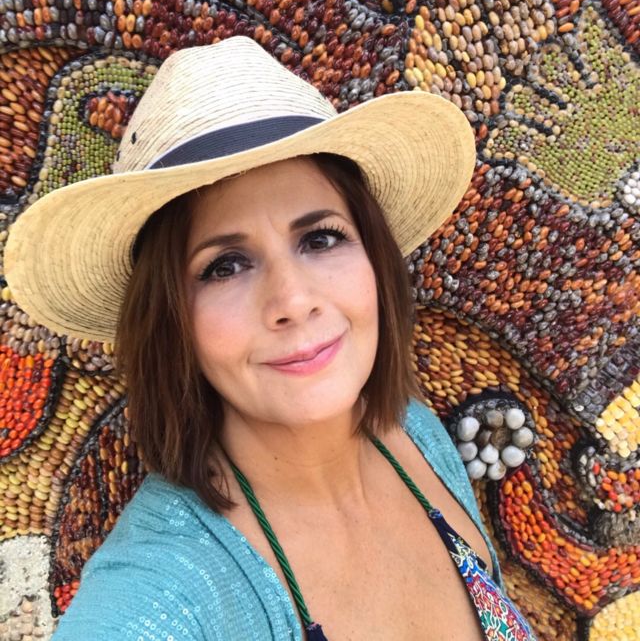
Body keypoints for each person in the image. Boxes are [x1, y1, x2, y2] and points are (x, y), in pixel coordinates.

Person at [5, 37, 534, 640]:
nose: (293, 301)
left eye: (321, 238)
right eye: (225, 266)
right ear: (171, 320)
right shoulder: (164, 590)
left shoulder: (415, 434)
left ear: (374, 256)